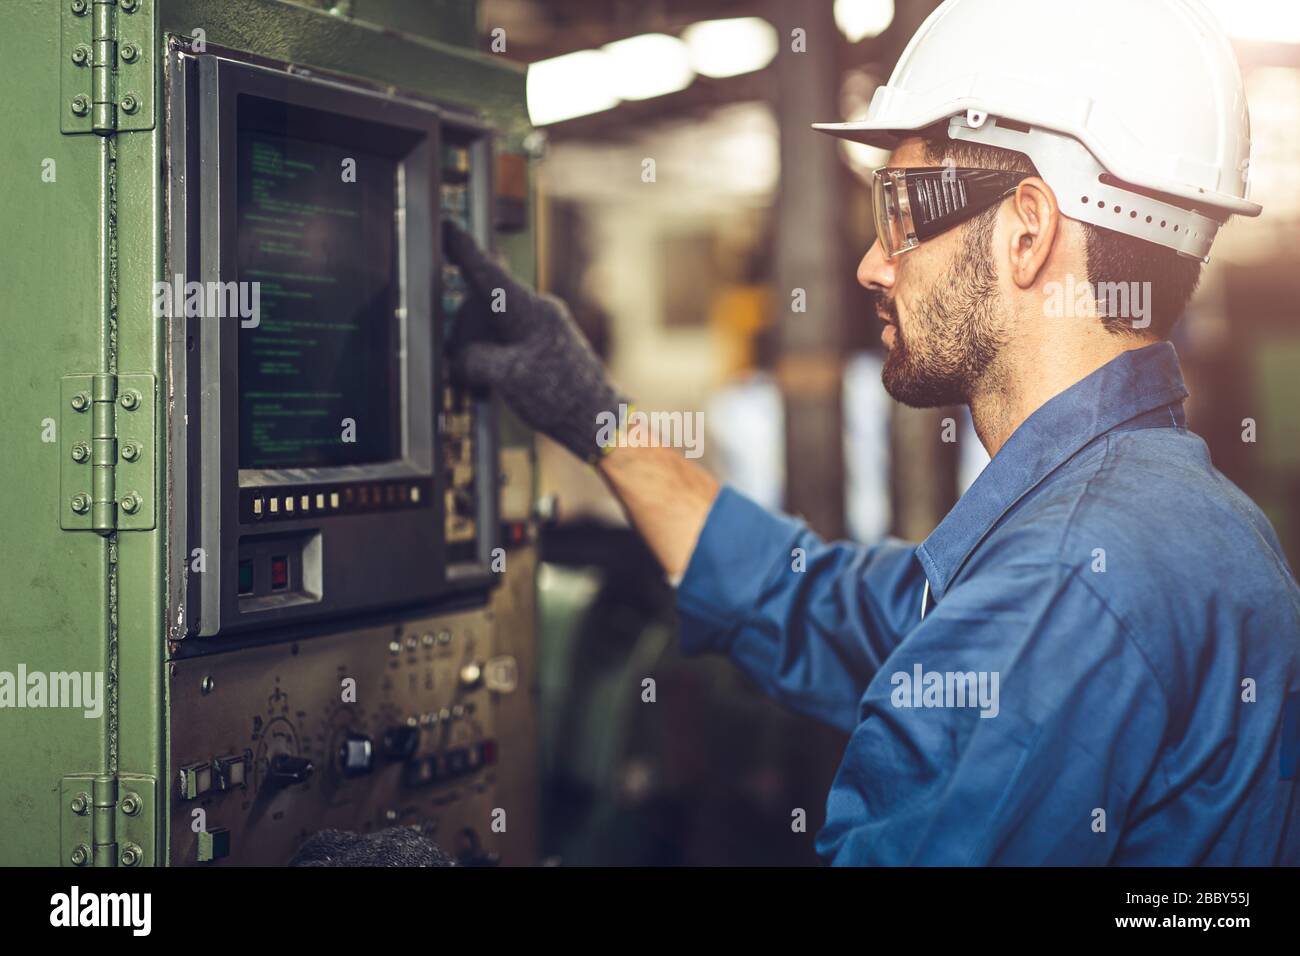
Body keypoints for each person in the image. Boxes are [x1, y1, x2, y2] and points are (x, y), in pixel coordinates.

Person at [441, 0, 1300, 864]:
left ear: (1027, 233)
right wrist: (600, 420)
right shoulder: (1189, 521)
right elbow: (810, 603)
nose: (872, 264)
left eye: (901, 210)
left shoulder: (1061, 584)